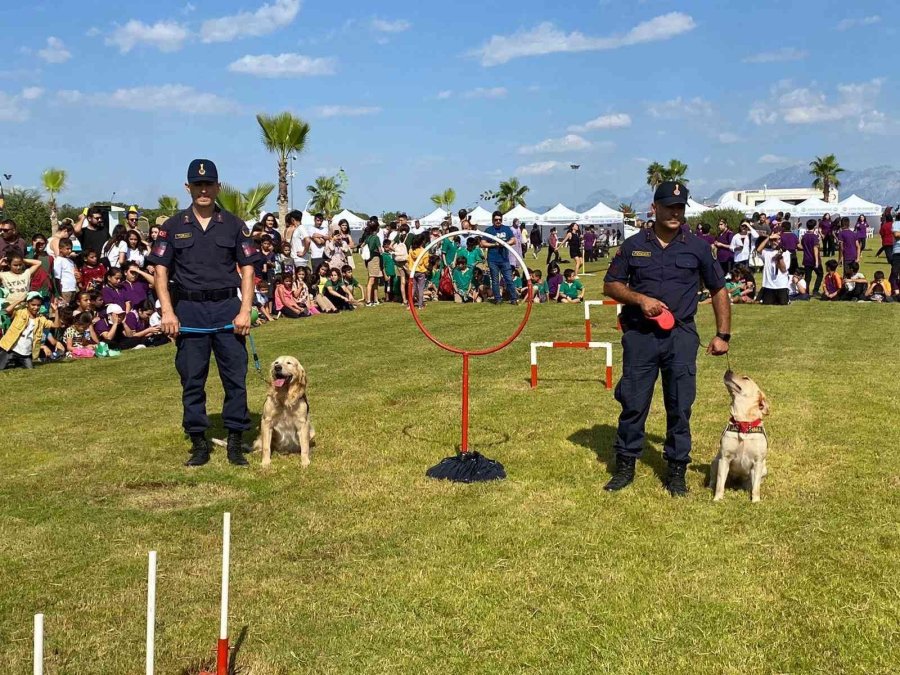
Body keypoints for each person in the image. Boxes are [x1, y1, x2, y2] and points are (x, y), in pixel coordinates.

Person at [602, 181, 730, 497]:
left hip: (681, 336)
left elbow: (718, 290)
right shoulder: (633, 246)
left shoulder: (698, 247)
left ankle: (676, 471)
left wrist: (722, 334)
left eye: (680, 207)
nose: (675, 212)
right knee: (633, 402)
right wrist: (639, 299)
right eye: (668, 206)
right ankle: (625, 466)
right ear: (654, 208)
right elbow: (611, 285)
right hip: (641, 336)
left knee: (680, 404)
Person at [148, 159, 259, 468]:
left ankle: (236, 439)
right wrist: (167, 313)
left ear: (217, 187)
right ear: (188, 188)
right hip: (189, 313)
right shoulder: (172, 227)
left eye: (209, 184)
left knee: (235, 378)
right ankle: (198, 441)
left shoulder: (236, 225)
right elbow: (160, 272)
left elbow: (248, 271)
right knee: (192, 380)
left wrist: (245, 310)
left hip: (227, 310)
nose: (204, 190)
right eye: (198, 185)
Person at [0, 292, 59, 370]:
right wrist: (20, 300)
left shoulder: (41, 319)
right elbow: (7, 310)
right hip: (11, 349)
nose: (36, 307)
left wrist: (56, 311)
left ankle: (17, 362)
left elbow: (56, 325)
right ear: (28, 304)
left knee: (30, 369)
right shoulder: (20, 312)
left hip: (25, 353)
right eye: (33, 305)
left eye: (38, 305)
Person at [482, 210, 519, 305]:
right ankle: (498, 299)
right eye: (496, 220)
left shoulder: (506, 229)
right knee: (495, 280)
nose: (498, 221)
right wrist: (494, 244)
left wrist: (504, 244)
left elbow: (513, 240)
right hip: (493, 259)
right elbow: (483, 243)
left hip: (504, 259)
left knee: (509, 279)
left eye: (500, 219)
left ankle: (514, 298)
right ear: (492, 220)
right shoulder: (489, 230)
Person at [756, 232, 790, 305]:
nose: (773, 242)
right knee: (767, 303)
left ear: (780, 241)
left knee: (783, 303)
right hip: (769, 285)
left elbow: (784, 270)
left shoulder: (786, 253)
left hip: (781, 285)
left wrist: (780, 258)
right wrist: (769, 237)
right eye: (772, 240)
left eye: (775, 240)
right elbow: (758, 250)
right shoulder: (766, 251)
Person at [359, 218, 383, 306]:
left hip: (369, 260)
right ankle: (368, 300)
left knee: (375, 280)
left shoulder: (369, 237)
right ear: (377, 228)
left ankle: (376, 300)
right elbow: (380, 250)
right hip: (375, 259)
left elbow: (362, 246)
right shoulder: (376, 238)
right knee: (372, 280)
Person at [800, 219, 823, 296]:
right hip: (813, 259)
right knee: (820, 274)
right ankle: (815, 290)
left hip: (806, 259)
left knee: (808, 277)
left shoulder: (804, 237)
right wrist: (816, 261)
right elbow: (815, 249)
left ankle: (806, 291)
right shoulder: (814, 237)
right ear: (815, 226)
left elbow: (802, 246)